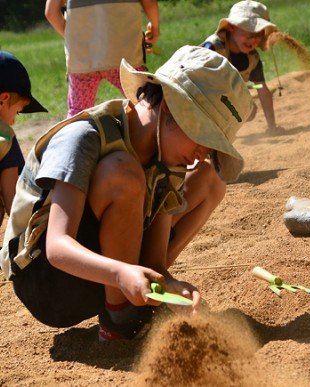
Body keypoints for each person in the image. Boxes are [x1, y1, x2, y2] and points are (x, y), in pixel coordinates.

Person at [0, 46, 253, 341]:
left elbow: (155, 261)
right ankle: (121, 316)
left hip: (113, 274)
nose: (200, 153)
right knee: (124, 172)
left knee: (210, 178)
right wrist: (121, 275)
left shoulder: (168, 156)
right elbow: (57, 247)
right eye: (203, 137)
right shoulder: (84, 137)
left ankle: (134, 301)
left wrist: (169, 286)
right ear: (173, 107)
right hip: (47, 282)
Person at [45, 0, 160, 117]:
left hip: (82, 59)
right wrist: (155, 27)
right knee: (146, 104)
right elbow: (149, 3)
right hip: (124, 57)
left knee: (78, 113)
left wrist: (74, 38)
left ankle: (72, 134)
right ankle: (150, 133)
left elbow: (51, 13)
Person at [201, 0, 284, 136]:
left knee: (247, 110)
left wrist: (272, 127)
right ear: (232, 27)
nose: (253, 41)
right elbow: (198, 85)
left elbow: (262, 89)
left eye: (258, 35)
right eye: (249, 34)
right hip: (200, 100)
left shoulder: (253, 59)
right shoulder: (212, 48)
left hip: (223, 101)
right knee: (242, 108)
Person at [0, 51, 48, 225]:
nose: (14, 119)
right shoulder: (5, 137)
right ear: (3, 99)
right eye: (18, 111)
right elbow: (15, 207)